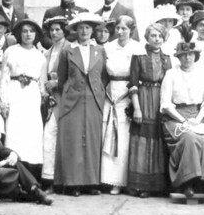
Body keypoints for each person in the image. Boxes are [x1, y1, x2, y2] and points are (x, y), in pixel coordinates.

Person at [54, 12, 108, 195]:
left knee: (92, 139)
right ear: (75, 30)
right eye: (80, 28)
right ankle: (72, 183)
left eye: (87, 27)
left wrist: (98, 91)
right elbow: (61, 78)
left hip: (93, 99)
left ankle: (91, 183)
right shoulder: (67, 50)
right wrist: (71, 91)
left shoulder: (99, 50)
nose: (84, 31)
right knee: (74, 140)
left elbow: (104, 77)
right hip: (73, 100)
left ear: (93, 30)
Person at [159, 42, 204, 196]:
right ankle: (185, 183)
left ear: (195, 56)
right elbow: (166, 104)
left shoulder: (202, 74)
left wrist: (197, 119)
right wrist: (183, 121)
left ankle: (202, 182)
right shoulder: (171, 74)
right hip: (175, 117)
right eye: (184, 55)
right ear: (179, 57)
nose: (187, 57)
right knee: (189, 138)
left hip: (196, 116)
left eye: (191, 54)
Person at [126, 23, 172, 197]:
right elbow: (133, 83)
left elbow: (170, 82)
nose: (157, 39)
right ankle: (141, 185)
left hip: (161, 99)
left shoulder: (167, 58)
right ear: (147, 37)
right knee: (143, 141)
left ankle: (159, 186)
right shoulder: (138, 56)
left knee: (159, 139)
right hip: (144, 99)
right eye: (153, 36)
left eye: (160, 36)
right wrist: (137, 108)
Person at [0, 19, 49, 174]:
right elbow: (4, 78)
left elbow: (42, 82)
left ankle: (32, 171)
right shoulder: (11, 51)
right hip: (14, 92)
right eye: (25, 31)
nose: (28, 34)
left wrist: (44, 98)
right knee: (14, 130)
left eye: (31, 31)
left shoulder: (40, 56)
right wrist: (4, 102)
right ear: (19, 34)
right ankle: (13, 169)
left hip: (32, 95)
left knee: (32, 131)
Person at [101, 15, 143, 194]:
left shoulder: (138, 48)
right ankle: (105, 179)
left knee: (124, 136)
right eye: (118, 28)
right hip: (110, 92)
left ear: (131, 30)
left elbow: (140, 74)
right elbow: (102, 73)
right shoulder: (108, 47)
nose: (120, 32)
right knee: (107, 131)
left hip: (130, 93)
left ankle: (121, 181)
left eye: (124, 29)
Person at [41, 15, 69, 186]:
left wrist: (58, 83)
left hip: (67, 96)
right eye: (51, 30)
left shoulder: (70, 49)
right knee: (50, 134)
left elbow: (75, 74)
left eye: (58, 29)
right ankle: (49, 177)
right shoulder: (48, 51)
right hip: (53, 99)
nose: (54, 32)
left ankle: (66, 179)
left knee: (65, 135)